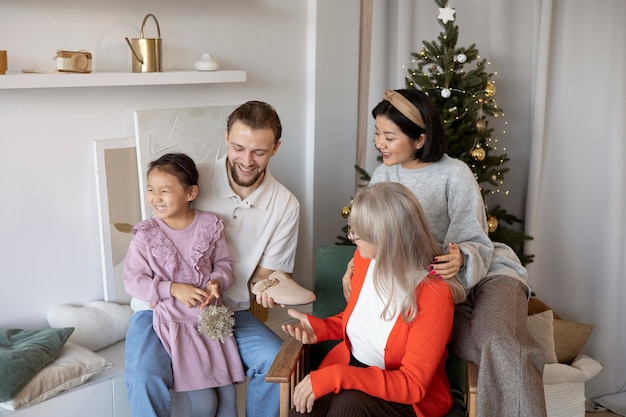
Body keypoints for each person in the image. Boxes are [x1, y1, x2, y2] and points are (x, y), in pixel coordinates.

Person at [343, 88, 547, 417]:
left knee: (499, 343)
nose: (379, 143)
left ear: (420, 140)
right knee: (461, 345)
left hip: (488, 275)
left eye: (389, 136)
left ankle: (516, 342)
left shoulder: (455, 174)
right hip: (439, 286)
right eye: (378, 134)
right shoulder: (382, 176)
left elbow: (475, 238)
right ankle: (523, 339)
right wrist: (355, 270)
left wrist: (463, 256)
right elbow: (372, 236)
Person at [125, 100, 300, 417]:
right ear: (226, 138)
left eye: (259, 152)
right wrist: (170, 289)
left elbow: (265, 276)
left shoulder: (285, 205)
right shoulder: (189, 180)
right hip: (157, 311)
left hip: (227, 311)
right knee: (143, 375)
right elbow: (155, 239)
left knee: (277, 360)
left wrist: (265, 289)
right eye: (238, 147)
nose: (246, 160)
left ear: (275, 148)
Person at [283, 182, 465, 417]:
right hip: (353, 369)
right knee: (304, 410)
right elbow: (366, 318)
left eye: (358, 232)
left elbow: (413, 385)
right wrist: (320, 328)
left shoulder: (435, 295)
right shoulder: (364, 259)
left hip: (406, 397)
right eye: (352, 228)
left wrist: (338, 376)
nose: (352, 237)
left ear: (386, 238)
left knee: (347, 406)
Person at [124, 152, 244, 417]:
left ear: (191, 193)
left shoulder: (209, 225)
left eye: (165, 191)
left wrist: (216, 283)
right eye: (151, 190)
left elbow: (225, 263)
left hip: (212, 321)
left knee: (227, 397)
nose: (156, 198)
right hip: (177, 324)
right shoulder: (146, 235)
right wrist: (172, 289)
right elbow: (133, 280)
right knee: (205, 402)